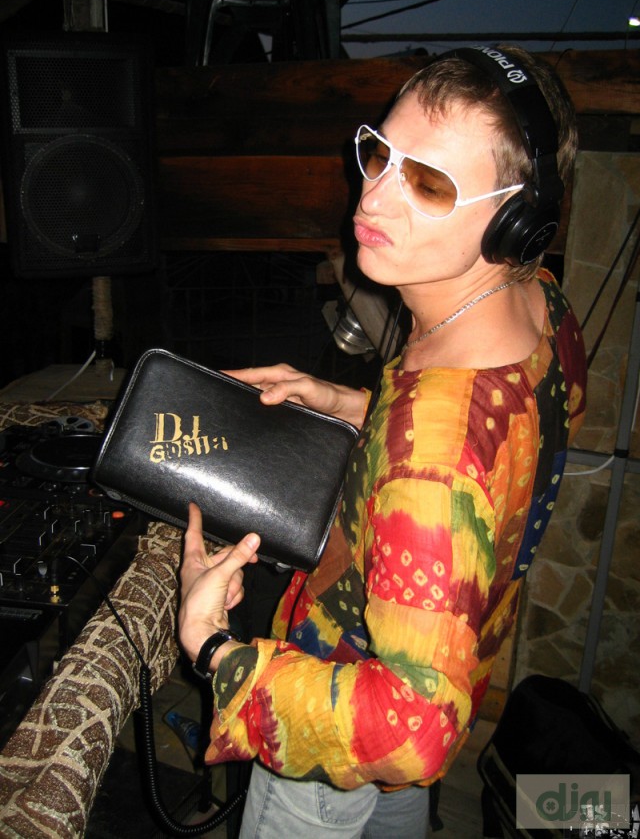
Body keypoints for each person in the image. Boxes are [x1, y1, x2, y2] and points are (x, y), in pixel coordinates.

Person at [177, 44, 587, 838]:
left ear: (514, 220)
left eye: (429, 182)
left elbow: (411, 728)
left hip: (333, 726)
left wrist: (212, 648)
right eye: (379, 152)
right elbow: (500, 443)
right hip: (450, 658)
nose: (373, 195)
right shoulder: (543, 305)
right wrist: (352, 404)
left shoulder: (432, 455)